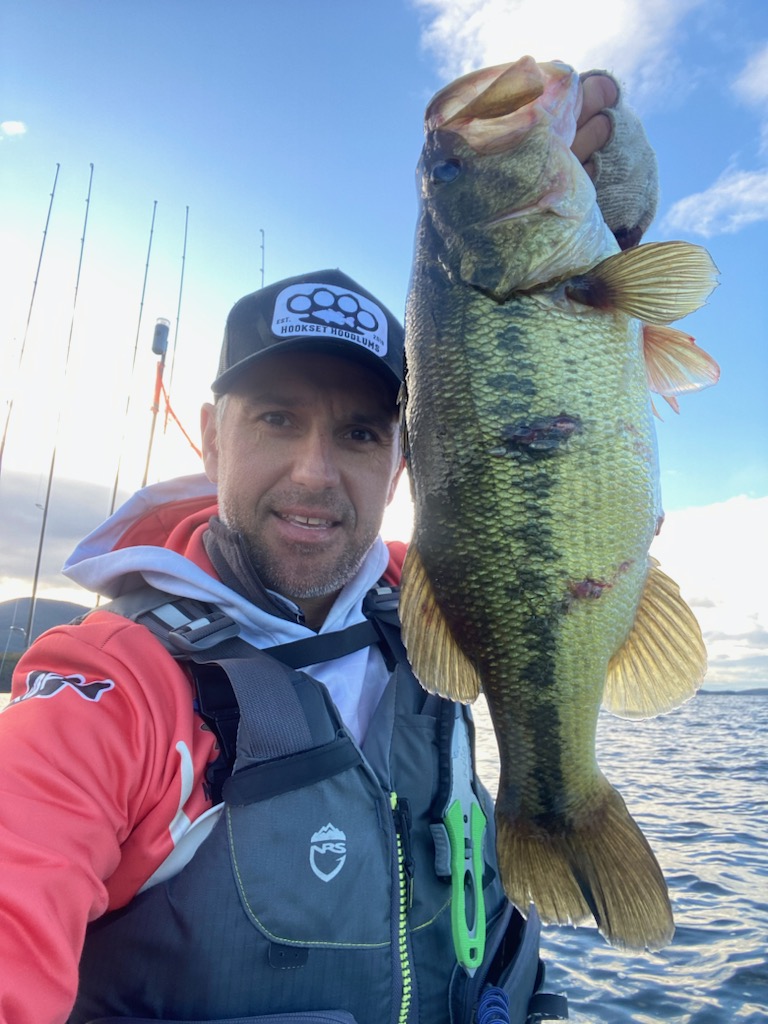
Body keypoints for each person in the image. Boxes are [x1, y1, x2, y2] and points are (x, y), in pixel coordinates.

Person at [0, 70, 658, 1024]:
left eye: (357, 433)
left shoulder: (441, 607)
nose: (314, 473)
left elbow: (561, 472)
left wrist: (615, 247)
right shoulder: (117, 692)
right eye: (276, 418)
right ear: (211, 438)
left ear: (400, 463)